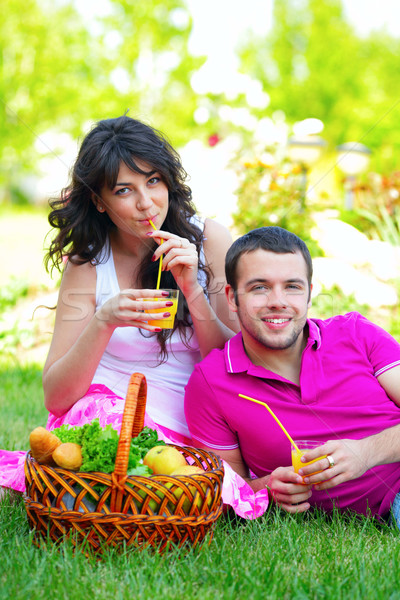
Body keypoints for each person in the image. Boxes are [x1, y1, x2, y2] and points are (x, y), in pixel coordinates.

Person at [0, 115, 238, 495]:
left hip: (188, 413)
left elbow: (234, 362)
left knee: (167, 479)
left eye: (153, 181)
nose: (146, 204)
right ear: (98, 201)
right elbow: (57, 397)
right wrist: (103, 320)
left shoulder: (209, 240)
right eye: (124, 191)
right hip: (107, 412)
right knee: (109, 445)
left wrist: (192, 288)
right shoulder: (90, 264)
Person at [184, 226, 400, 524]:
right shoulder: (211, 383)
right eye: (260, 287)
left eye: (292, 287)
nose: (278, 301)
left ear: (309, 293)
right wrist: (267, 489)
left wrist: (367, 452)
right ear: (232, 298)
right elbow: (222, 492)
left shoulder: (355, 334)